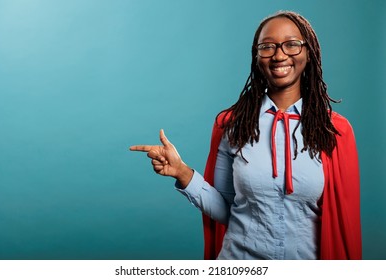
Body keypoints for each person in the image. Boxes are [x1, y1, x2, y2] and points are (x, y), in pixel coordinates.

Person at [130, 10, 361, 260]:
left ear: (309, 53)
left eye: (292, 45)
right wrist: (182, 173)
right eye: (267, 46)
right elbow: (227, 210)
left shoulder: (334, 130)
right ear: (257, 56)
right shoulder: (233, 125)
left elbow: (342, 225)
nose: (279, 55)